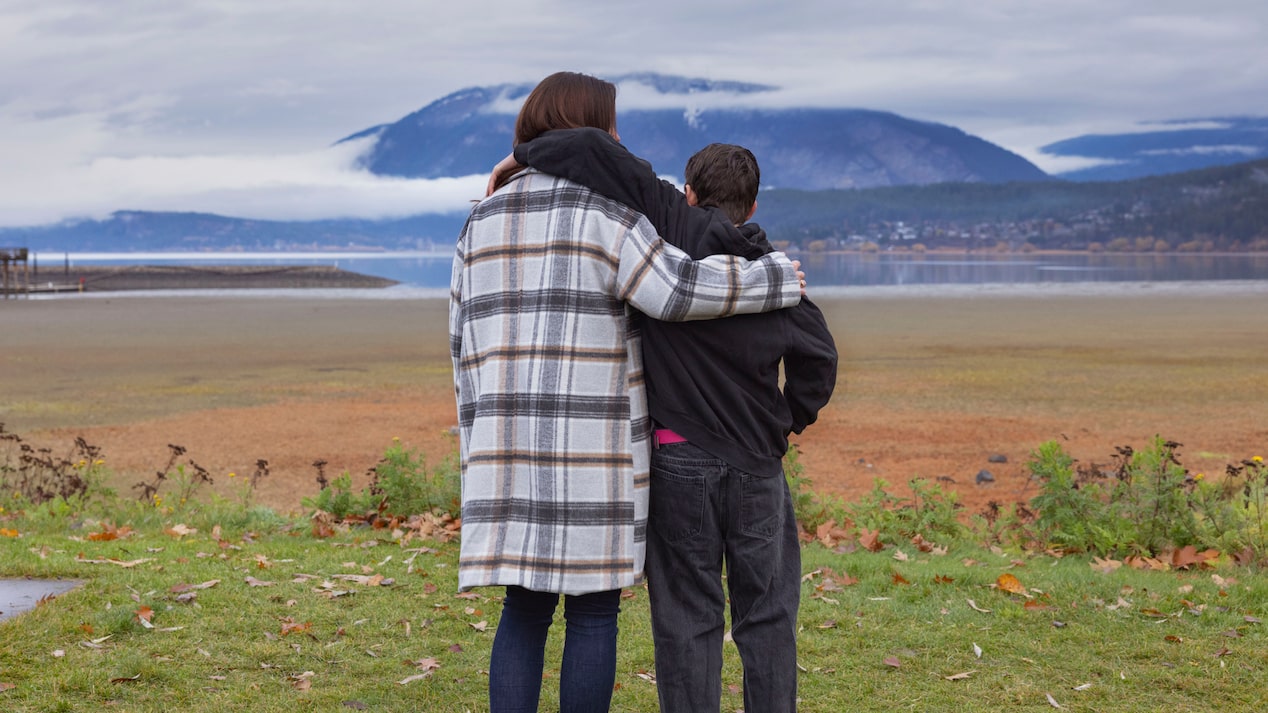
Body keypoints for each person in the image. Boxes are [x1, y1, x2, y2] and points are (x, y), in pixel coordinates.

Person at [450, 71, 806, 713]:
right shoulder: (606, 216)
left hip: (505, 449)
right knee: (591, 613)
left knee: (523, 611)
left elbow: (463, 350)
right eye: (611, 125)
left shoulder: (480, 222)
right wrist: (775, 278)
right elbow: (678, 291)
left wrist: (476, 444)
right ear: (592, 129)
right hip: (595, 450)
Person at [508, 131, 838, 712]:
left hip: (677, 459)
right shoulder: (772, 271)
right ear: (754, 205)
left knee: (688, 616)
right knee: (767, 615)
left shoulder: (663, 229)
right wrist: (784, 422)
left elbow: (592, 148)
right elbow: (819, 361)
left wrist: (518, 158)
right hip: (757, 467)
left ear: (687, 193)